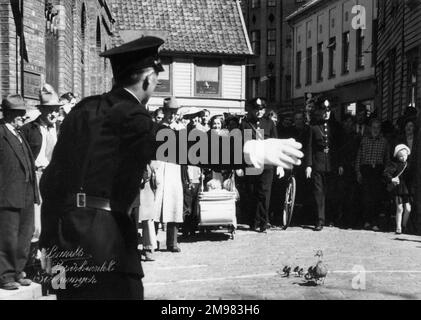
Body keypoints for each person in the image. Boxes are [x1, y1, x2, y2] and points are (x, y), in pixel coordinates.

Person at [39, 36, 303, 300]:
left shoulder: (82, 110)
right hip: (105, 241)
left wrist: (50, 246)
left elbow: (50, 182)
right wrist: (251, 151)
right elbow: (178, 144)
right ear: (148, 80)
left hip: (68, 236)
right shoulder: (130, 114)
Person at [0, 95, 40, 290]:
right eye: (18, 114)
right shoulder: (1, 132)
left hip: (26, 192)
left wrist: (34, 193)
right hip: (7, 194)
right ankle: (5, 275)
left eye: (22, 113)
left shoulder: (19, 133)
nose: (21, 117)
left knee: (25, 234)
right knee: (8, 235)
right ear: (7, 113)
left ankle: (18, 271)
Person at [21, 84, 63, 243]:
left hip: (55, 177)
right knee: (37, 219)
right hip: (37, 177)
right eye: (50, 109)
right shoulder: (29, 130)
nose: (53, 113)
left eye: (56, 109)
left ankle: (50, 253)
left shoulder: (59, 129)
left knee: (54, 215)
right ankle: (35, 257)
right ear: (41, 110)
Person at [240, 97, 283, 232]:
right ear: (252, 110)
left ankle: (264, 222)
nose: (259, 112)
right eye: (257, 109)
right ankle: (253, 221)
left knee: (265, 193)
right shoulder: (246, 124)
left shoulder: (269, 123)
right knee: (253, 192)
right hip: (252, 163)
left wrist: (279, 164)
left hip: (267, 164)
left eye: (262, 109)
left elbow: (276, 145)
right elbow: (243, 146)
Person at [305, 98, 343, 231]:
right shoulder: (313, 127)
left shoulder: (336, 127)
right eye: (324, 110)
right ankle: (319, 220)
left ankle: (331, 218)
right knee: (318, 193)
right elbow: (309, 147)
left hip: (332, 163)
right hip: (318, 163)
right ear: (320, 111)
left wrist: (340, 164)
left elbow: (339, 147)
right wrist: (309, 165)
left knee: (331, 192)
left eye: (328, 110)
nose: (326, 113)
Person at [356, 118, 390, 231]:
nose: (376, 130)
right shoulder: (364, 140)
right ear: (370, 128)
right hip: (366, 169)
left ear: (380, 129)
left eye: (378, 128)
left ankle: (375, 222)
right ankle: (367, 221)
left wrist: (386, 173)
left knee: (376, 197)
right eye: (374, 127)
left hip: (378, 171)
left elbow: (387, 159)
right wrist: (358, 172)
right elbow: (359, 157)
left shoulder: (384, 141)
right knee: (366, 197)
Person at [384, 144, 412, 234]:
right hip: (398, 188)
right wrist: (392, 179)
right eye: (401, 156)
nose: (403, 157)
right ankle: (398, 227)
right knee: (399, 208)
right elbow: (386, 173)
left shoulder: (408, 165)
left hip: (407, 189)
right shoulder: (394, 164)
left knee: (408, 208)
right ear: (397, 156)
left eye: (405, 155)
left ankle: (404, 225)